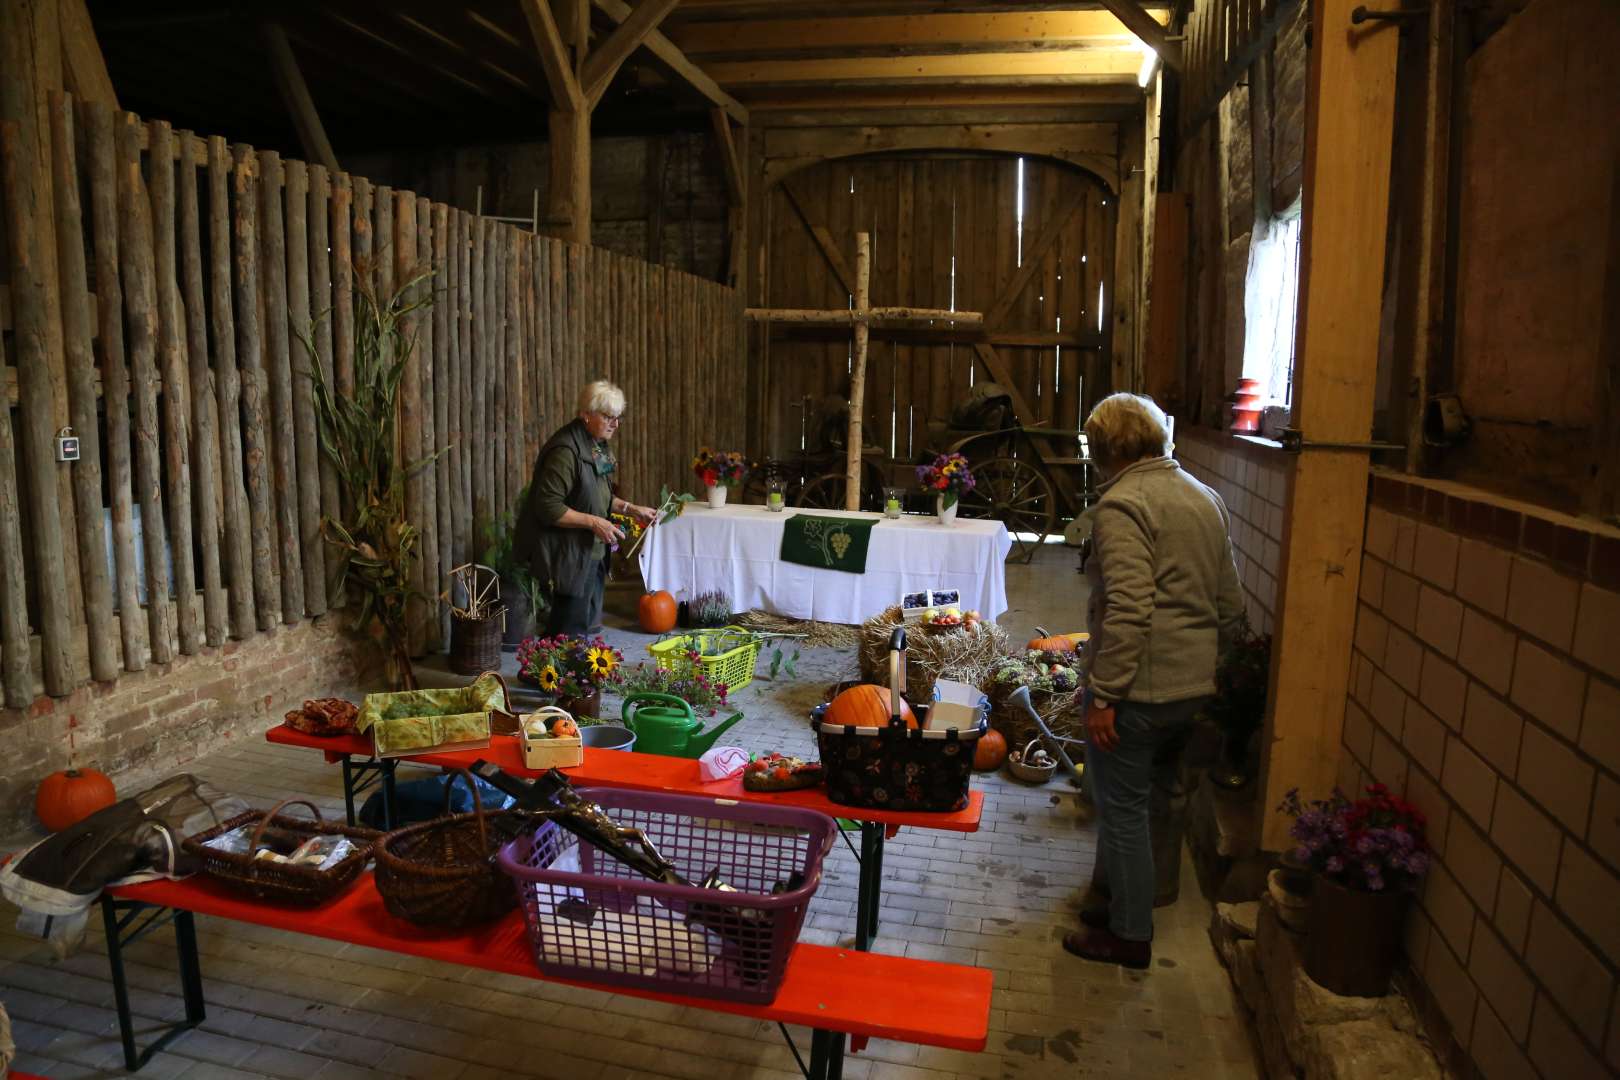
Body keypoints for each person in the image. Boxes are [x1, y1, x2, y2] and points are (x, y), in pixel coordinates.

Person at [1063, 393, 1244, 970]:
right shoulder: (1203, 496)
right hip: (1191, 690)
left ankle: (1128, 934)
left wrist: (1106, 695)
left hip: (1138, 693)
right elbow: (1229, 602)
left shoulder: (1123, 506)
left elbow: (1129, 607)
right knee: (1149, 803)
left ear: (1106, 448)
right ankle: (1114, 900)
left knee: (1123, 813)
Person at [516, 380, 656, 636]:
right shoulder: (565, 452)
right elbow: (547, 506)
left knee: (579, 627)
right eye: (608, 417)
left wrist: (631, 509)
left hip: (589, 551)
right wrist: (594, 522)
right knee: (566, 628)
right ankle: (553, 673)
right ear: (585, 414)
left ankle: (567, 669)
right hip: (567, 553)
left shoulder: (595, 444)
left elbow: (595, 496)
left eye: (617, 417)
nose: (615, 424)